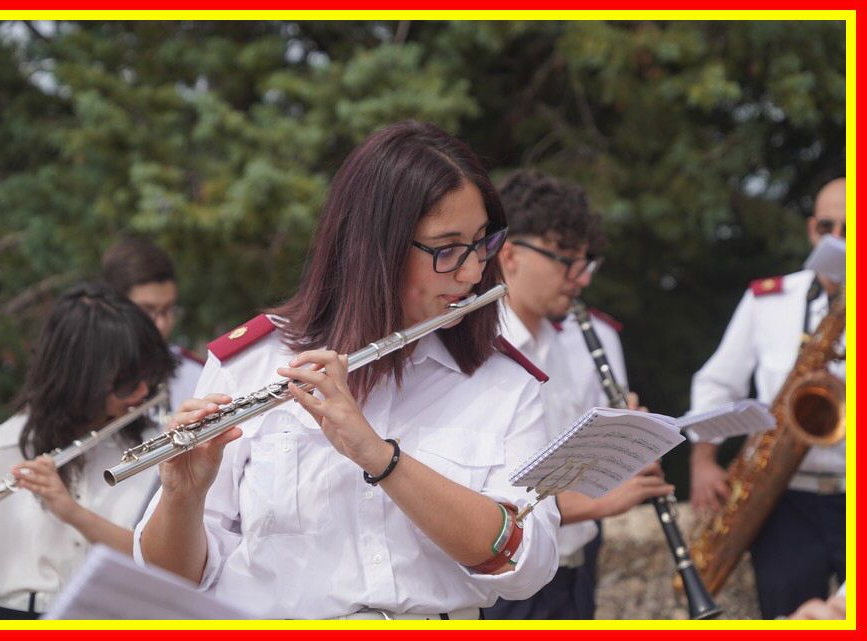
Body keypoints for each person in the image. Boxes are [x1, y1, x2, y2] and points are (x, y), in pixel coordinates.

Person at [133, 121, 561, 620]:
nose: (471, 273)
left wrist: (377, 455)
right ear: (376, 247)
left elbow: (526, 560)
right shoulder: (252, 363)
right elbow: (169, 584)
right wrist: (182, 498)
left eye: (482, 243)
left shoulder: (503, 382)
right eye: (446, 250)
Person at [483, 169, 673, 619]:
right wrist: (595, 501)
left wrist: (631, 445)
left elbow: (600, 462)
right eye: (565, 260)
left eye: (586, 262)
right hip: (499, 581)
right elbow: (477, 494)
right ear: (509, 255)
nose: (581, 278)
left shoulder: (597, 339)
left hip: (577, 565)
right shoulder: (468, 350)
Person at [0, 283, 176, 619]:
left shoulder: (155, 451)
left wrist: (71, 512)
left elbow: (164, 567)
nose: (143, 392)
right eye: (127, 382)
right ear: (80, 380)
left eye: (149, 378)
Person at [689, 177, 847, 619]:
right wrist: (703, 460)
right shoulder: (768, 301)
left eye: (849, 231)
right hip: (784, 500)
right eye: (826, 227)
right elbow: (718, 383)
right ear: (811, 229)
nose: (836, 240)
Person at [102, 235, 204, 411]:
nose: (161, 325)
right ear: (113, 307)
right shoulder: (88, 382)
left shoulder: (196, 374)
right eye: (147, 310)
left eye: (167, 310)